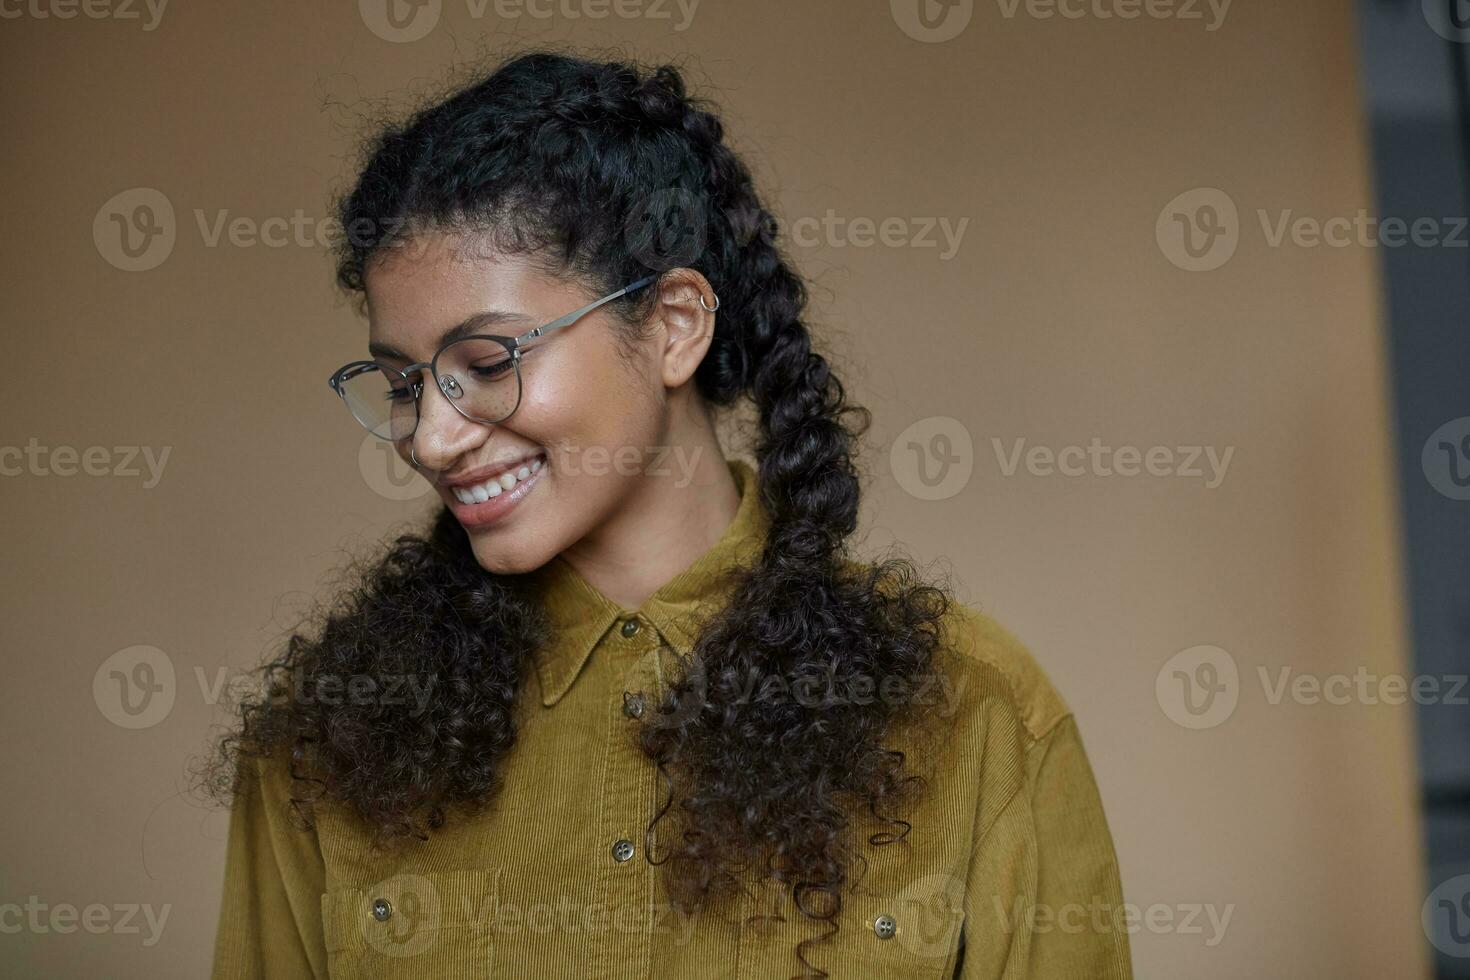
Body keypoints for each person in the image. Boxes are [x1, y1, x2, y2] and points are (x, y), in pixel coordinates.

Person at [203, 48, 1132, 980]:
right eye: (404, 382)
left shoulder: (977, 718)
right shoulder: (334, 732)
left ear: (673, 325)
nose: (433, 439)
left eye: (486, 364)